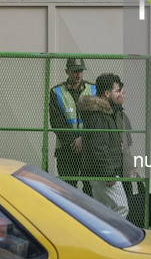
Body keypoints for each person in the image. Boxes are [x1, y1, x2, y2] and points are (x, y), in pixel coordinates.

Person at [78, 73, 128, 217]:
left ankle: (100, 237)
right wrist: (109, 175)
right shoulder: (99, 115)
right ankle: (111, 239)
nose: (119, 94)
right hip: (104, 174)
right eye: (116, 91)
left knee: (102, 212)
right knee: (122, 207)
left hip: (98, 173)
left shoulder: (101, 113)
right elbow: (98, 147)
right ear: (107, 93)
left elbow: (100, 143)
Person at [49, 58, 95, 195]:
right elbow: (56, 122)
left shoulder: (93, 89)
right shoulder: (56, 92)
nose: (78, 75)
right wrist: (73, 142)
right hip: (66, 150)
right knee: (66, 190)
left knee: (90, 189)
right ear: (67, 71)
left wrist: (83, 139)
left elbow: (96, 120)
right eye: (75, 71)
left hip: (88, 149)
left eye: (81, 71)